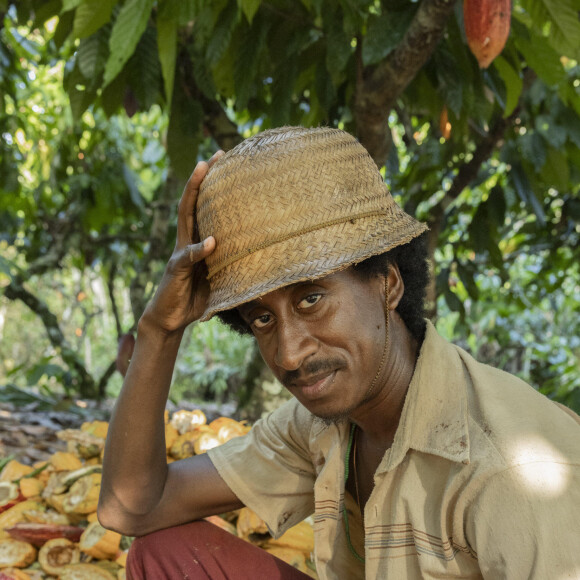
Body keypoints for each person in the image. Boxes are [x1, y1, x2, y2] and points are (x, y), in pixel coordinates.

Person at [98, 127, 580, 579]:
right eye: (262, 318)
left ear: (388, 282)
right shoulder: (323, 425)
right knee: (165, 553)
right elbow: (134, 506)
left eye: (311, 299)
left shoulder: (511, 471)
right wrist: (160, 330)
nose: (289, 354)